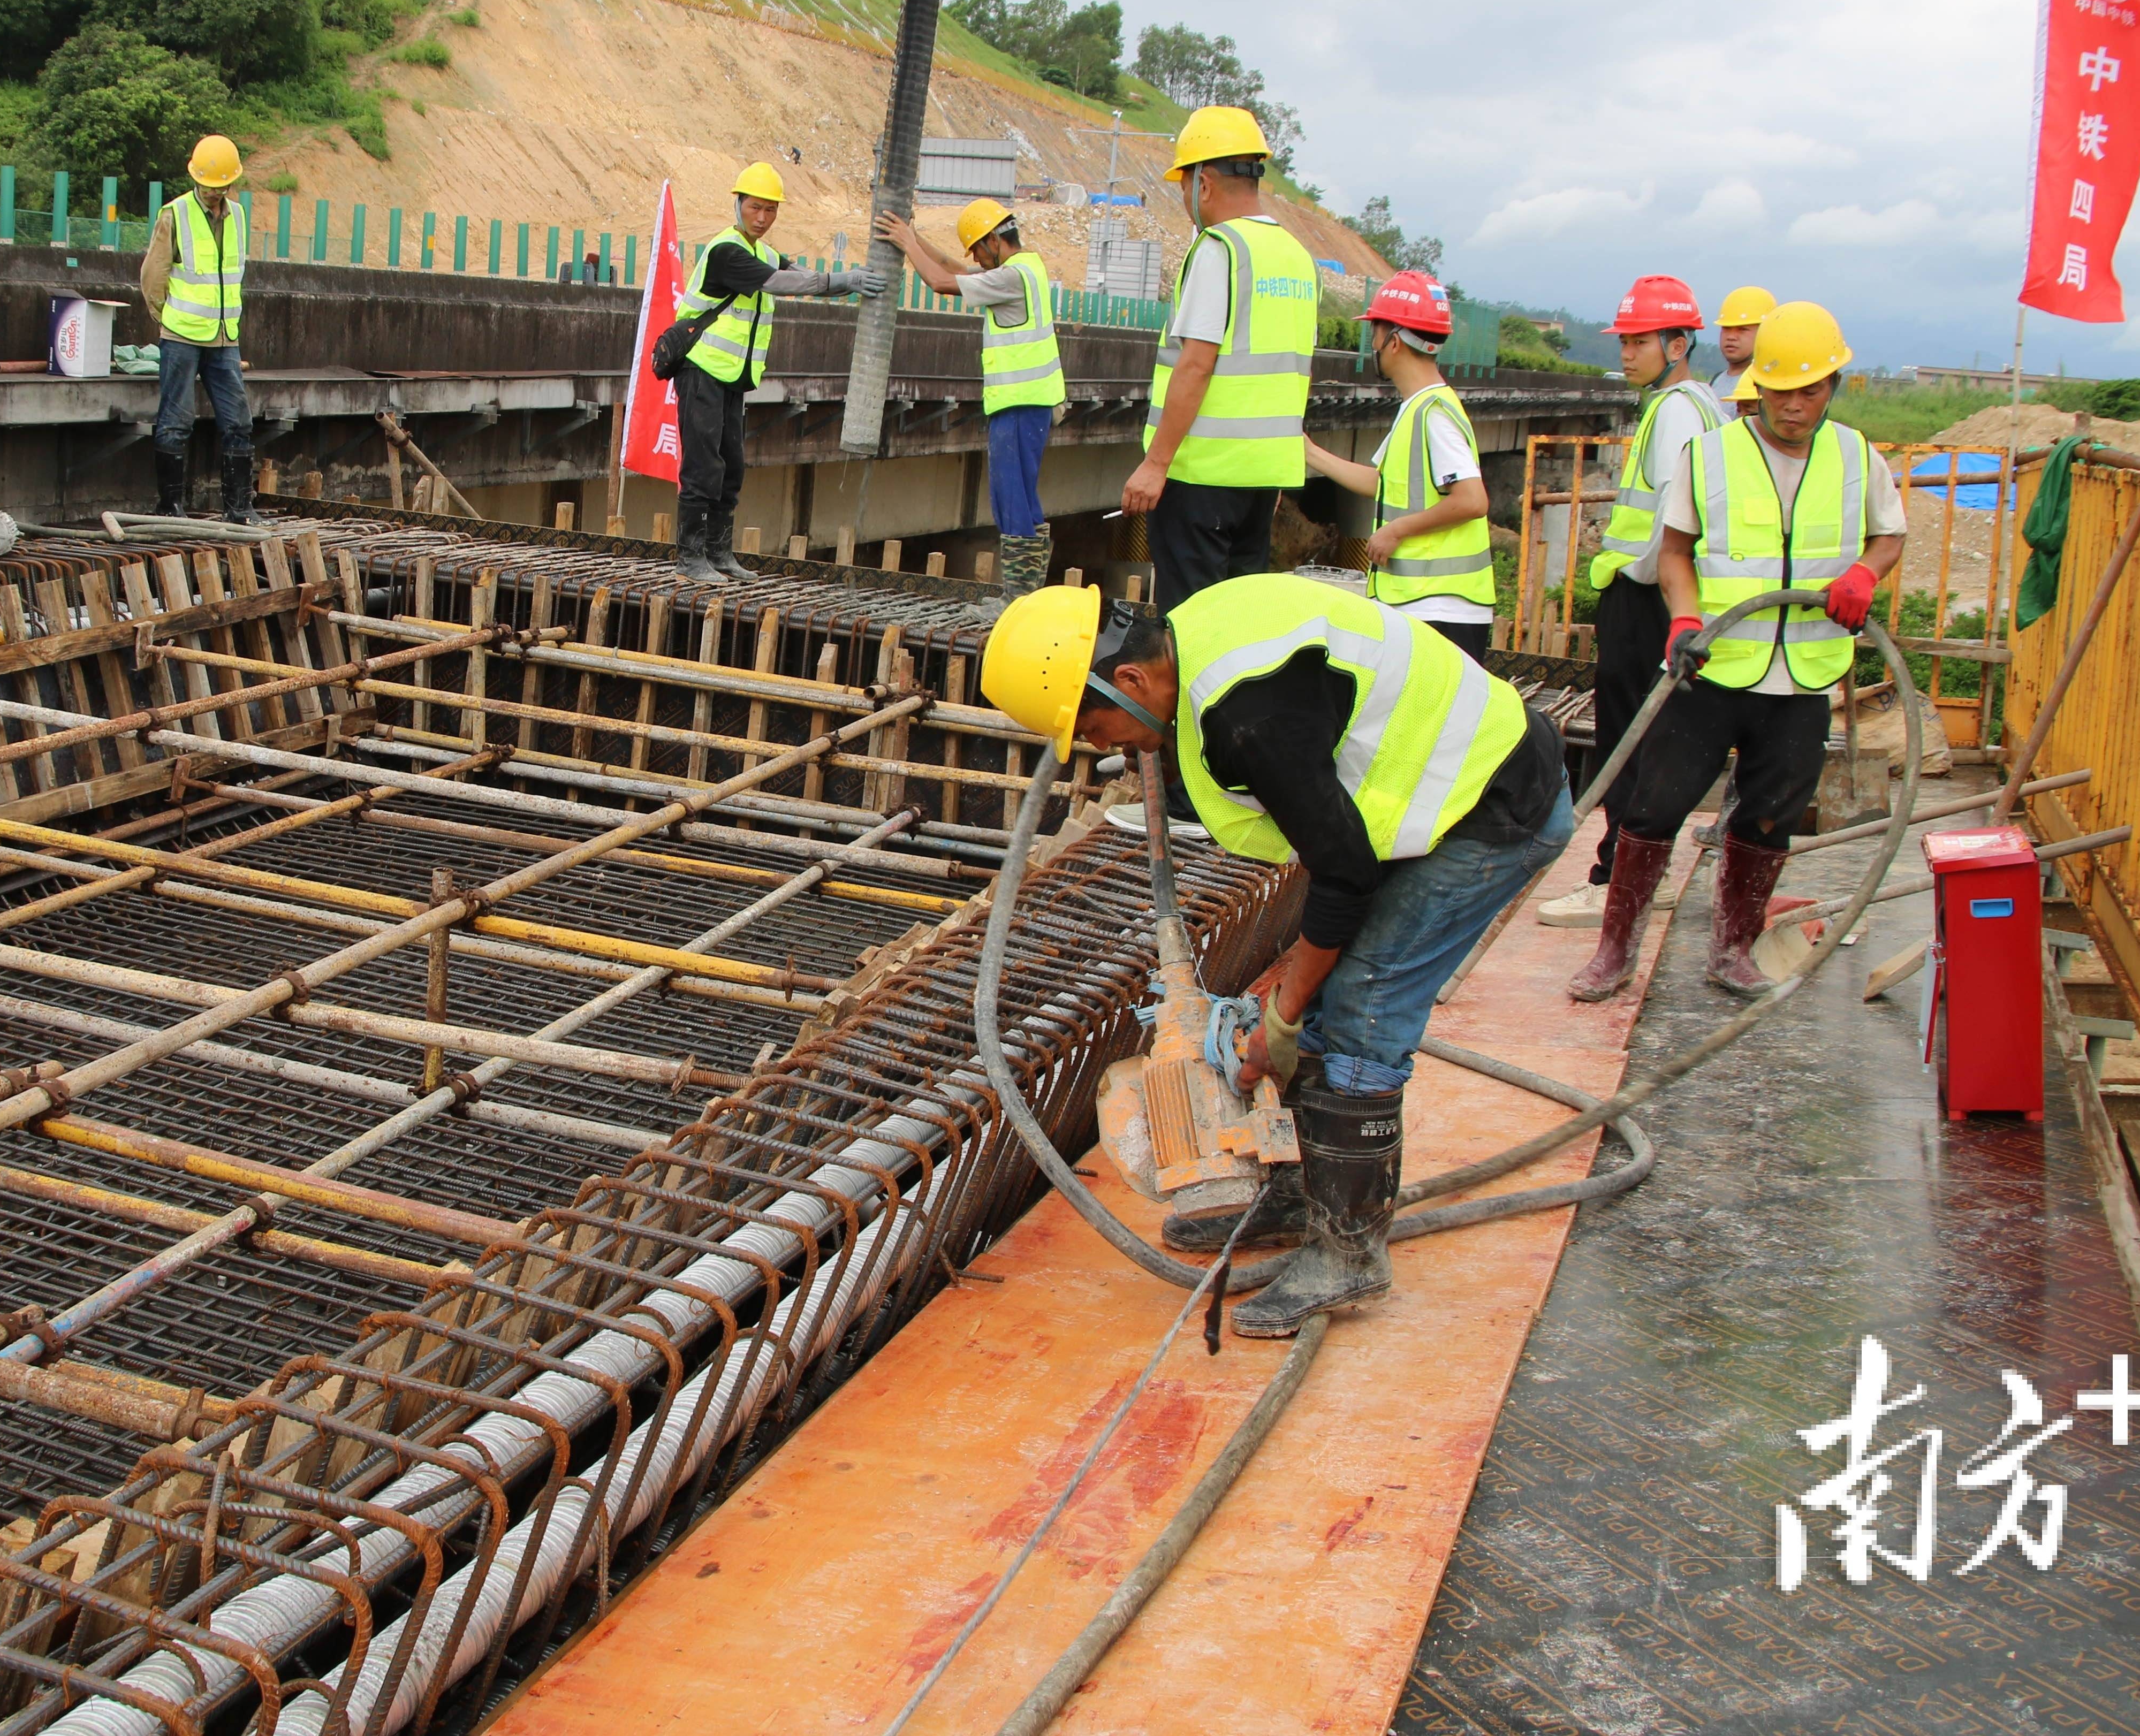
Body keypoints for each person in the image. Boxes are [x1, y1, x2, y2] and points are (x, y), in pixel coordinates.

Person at [982, 576, 1570, 1330]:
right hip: (1439, 795)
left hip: (1495, 806)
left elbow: (1345, 874)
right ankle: (1300, 1195)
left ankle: (1349, 1254)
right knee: (1324, 990)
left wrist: (1283, 1017)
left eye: (1097, 731)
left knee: (1362, 1005)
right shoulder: (1192, 635)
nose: (1108, 751)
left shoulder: (1248, 717)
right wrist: (1293, 1003)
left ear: (1130, 680)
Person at [1571, 301, 1903, 1001]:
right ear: (1759, 385)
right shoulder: (1713, 455)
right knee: (1655, 809)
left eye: (1809, 391)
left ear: (1833, 387)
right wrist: (1684, 616)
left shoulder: (1856, 458)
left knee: (1769, 816)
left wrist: (1864, 572)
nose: (1794, 405)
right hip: (1713, 668)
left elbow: (1889, 534)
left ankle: (1733, 950)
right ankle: (1615, 950)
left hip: (1801, 677)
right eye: (1780, 390)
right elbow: (1676, 551)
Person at [1537, 274, 1728, 927]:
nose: (1626, 353)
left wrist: (1644, 575)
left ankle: (1615, 877)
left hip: (1646, 597)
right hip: (1667, 597)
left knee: (1629, 736)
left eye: (1640, 341)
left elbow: (1673, 514)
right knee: (1656, 736)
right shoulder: (1703, 405)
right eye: (1624, 340)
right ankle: (1646, 871)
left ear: (1678, 345)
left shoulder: (1675, 411)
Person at [1121, 106, 1317, 608]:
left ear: (1203, 183)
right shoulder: (1295, 256)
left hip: (1201, 476)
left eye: (1183, 184)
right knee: (1238, 619)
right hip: (1262, 479)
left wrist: (1155, 464)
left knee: (1192, 623)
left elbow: (1196, 363)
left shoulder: (1221, 248)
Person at [656, 162, 881, 585]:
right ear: (738, 204)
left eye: (771, 211)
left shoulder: (762, 252)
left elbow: (799, 275)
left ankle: (720, 554)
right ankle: (691, 557)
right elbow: (783, 284)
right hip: (701, 369)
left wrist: (845, 282)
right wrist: (842, 278)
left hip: (730, 378)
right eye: (755, 208)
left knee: (732, 466)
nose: (763, 218)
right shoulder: (728, 251)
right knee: (703, 466)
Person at [876, 196, 1061, 600]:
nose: (976, 257)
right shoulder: (1027, 268)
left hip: (1019, 404)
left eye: (978, 247)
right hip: (1029, 403)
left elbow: (943, 283)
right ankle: (1026, 598)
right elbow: (959, 271)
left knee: (1011, 500)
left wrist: (907, 243)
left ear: (995, 239)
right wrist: (918, 238)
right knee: (1022, 498)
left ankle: (1016, 602)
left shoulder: (1011, 278)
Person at [1302, 270, 1493, 654]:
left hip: (1440, 606)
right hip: (1425, 603)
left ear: (1394, 341)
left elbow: (1472, 500)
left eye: (1375, 331)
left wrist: (1397, 530)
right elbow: (1383, 483)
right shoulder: (1419, 407)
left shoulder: (1434, 414)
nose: (1371, 343)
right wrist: (1310, 453)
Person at [136, 135, 261, 524]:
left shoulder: (238, 216)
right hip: (182, 338)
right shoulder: (175, 215)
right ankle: (171, 507)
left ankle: (239, 508)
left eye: (221, 186)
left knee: (239, 421)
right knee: (177, 421)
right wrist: (168, 321)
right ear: (196, 179)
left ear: (231, 183)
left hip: (225, 338)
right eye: (209, 186)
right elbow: (152, 278)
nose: (214, 193)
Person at [1715, 284, 1774, 414]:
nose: (1731, 337)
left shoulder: (1768, 386)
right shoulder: (1716, 382)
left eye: (1742, 330)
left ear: (1765, 332)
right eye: (1726, 329)